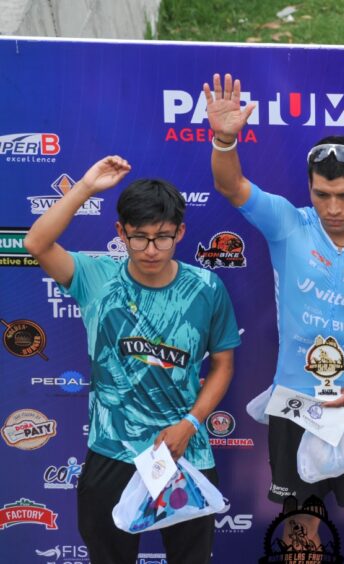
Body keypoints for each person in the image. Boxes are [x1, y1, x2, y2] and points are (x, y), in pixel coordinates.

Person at [204, 73, 344, 564]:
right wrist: (224, 140)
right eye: (322, 195)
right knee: (300, 523)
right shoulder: (289, 224)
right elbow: (230, 185)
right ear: (309, 188)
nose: (333, 208)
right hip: (295, 405)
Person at [24, 156, 241, 564]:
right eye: (139, 237)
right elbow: (36, 243)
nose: (151, 250)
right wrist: (86, 187)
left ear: (180, 232)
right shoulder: (96, 278)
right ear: (120, 232)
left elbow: (223, 365)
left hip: (184, 450)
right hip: (112, 450)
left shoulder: (207, 288)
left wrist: (191, 424)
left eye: (163, 237)